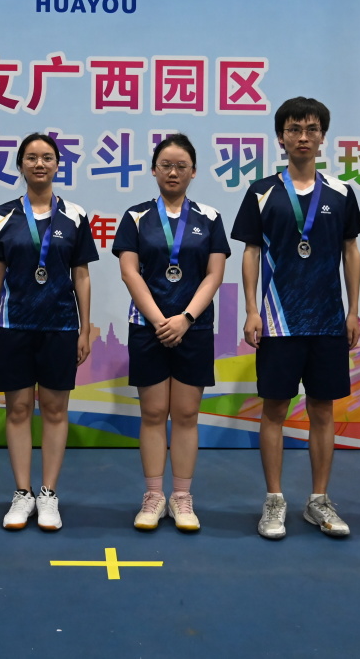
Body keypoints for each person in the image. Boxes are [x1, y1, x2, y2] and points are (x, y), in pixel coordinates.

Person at [230, 97, 360, 540]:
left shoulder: (341, 193)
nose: (302, 137)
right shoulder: (262, 192)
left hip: (327, 322)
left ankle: (319, 500)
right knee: (274, 410)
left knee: (323, 410)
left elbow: (350, 251)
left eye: (310, 129)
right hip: (278, 322)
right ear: (280, 137)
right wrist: (252, 309)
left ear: (323, 137)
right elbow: (251, 252)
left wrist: (353, 310)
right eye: (293, 129)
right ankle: (274, 500)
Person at [0, 134, 99, 532]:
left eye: (47, 157)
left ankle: (48, 494)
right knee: (17, 410)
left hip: (60, 327)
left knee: (54, 410)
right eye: (31, 158)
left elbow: (81, 276)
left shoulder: (75, 216)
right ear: (20, 165)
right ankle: (22, 493)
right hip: (12, 326)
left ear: (57, 165)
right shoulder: (3, 215)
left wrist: (84, 328)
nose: (39, 164)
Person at [113, 134, 230, 532]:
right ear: (154, 170)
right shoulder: (135, 217)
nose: (173, 172)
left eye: (181, 166)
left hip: (193, 328)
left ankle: (181, 496)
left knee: (186, 414)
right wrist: (160, 319)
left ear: (194, 172)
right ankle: (153, 495)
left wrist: (185, 318)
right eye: (166, 165)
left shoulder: (210, 218)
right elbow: (130, 272)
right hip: (148, 327)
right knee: (151, 413)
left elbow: (214, 274)